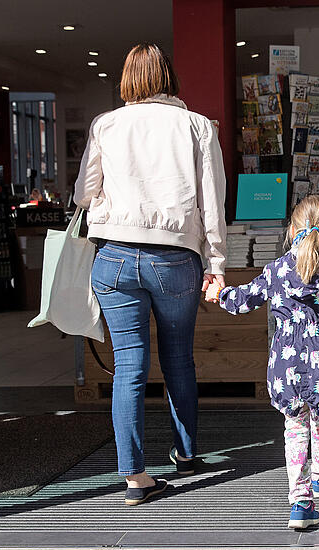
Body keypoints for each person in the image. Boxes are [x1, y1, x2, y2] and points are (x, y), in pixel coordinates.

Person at [74, 43, 226, 506]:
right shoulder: (197, 126)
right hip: (175, 259)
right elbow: (211, 201)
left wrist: (113, 210)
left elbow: (83, 194)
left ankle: (134, 476)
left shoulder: (106, 124)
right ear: (168, 77)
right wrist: (216, 263)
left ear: (127, 80)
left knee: (129, 368)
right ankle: (185, 452)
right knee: (178, 358)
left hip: (115, 257)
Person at [204, 196, 319, 529]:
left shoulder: (276, 271)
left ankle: (301, 503)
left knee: (295, 429)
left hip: (285, 368)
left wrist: (220, 293)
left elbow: (243, 300)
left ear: (291, 230)